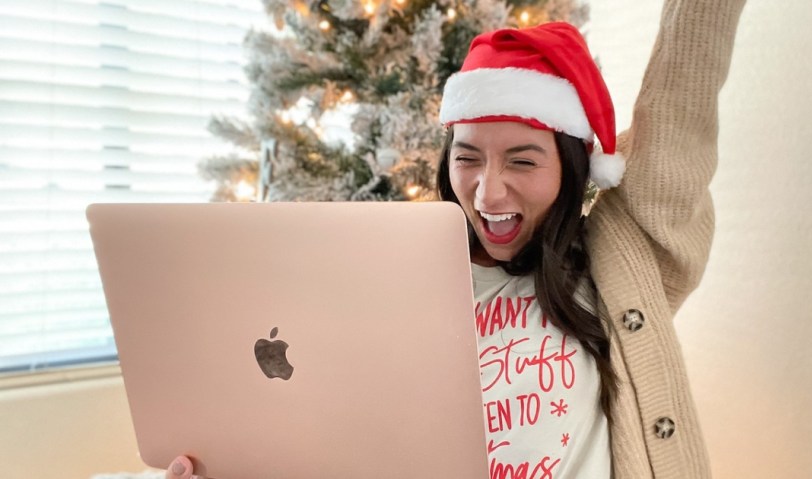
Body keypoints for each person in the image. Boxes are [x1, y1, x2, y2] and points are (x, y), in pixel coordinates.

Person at [166, 0, 745, 477]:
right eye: (468, 158)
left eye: (522, 161)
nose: (489, 195)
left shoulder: (620, 264)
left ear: (572, 168)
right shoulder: (398, 283)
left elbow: (679, 112)